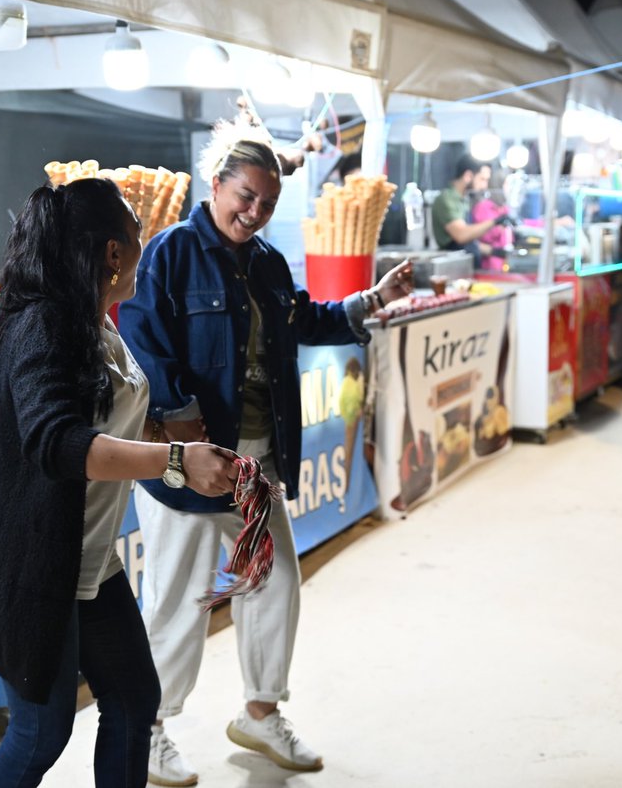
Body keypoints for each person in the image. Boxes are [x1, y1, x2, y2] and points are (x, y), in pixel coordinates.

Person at [118, 121, 414, 786]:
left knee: (274, 584)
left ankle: (259, 712)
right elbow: (138, 336)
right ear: (215, 184)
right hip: (190, 465)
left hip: (256, 463)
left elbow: (304, 318)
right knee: (180, 601)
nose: (255, 211)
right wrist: (181, 421)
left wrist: (371, 301)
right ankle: (149, 729)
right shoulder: (167, 254)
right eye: (245, 196)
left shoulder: (270, 262)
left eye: (267, 203)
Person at [0, 177, 239, 788]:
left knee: (134, 701)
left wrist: (174, 445)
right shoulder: (43, 324)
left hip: (86, 557)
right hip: (26, 559)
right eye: (137, 234)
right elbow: (58, 444)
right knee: (40, 732)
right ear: (113, 251)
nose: (143, 243)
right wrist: (177, 461)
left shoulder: (93, 319)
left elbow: (108, 421)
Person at [431, 154, 505, 260]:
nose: (484, 186)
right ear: (468, 176)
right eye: (482, 179)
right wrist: (494, 221)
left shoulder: (464, 200)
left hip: (467, 262)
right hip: (453, 265)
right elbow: (461, 235)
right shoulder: (447, 199)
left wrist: (496, 252)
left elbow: (470, 245)